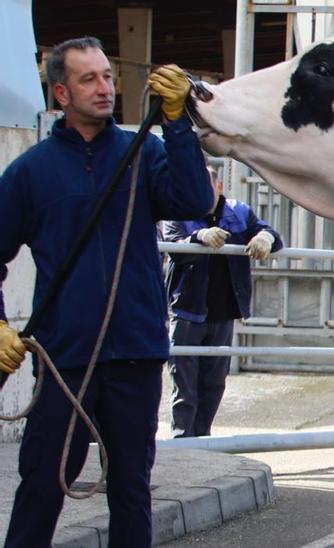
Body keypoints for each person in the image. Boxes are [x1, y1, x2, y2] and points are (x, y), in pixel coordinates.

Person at [0, 37, 211, 546]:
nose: (104, 89)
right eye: (88, 79)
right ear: (61, 94)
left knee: (132, 490)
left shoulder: (146, 152)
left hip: (136, 352)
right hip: (64, 359)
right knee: (42, 487)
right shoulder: (30, 172)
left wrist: (178, 123)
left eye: (108, 77)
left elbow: (195, 200)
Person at [162, 166, 281, 437]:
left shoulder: (238, 212)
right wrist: (198, 237)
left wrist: (265, 237)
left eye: (206, 186)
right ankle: (183, 441)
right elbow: (174, 247)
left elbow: (270, 232)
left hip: (223, 312)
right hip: (187, 311)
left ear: (218, 187)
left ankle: (203, 439)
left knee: (214, 383)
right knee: (184, 384)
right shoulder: (177, 213)